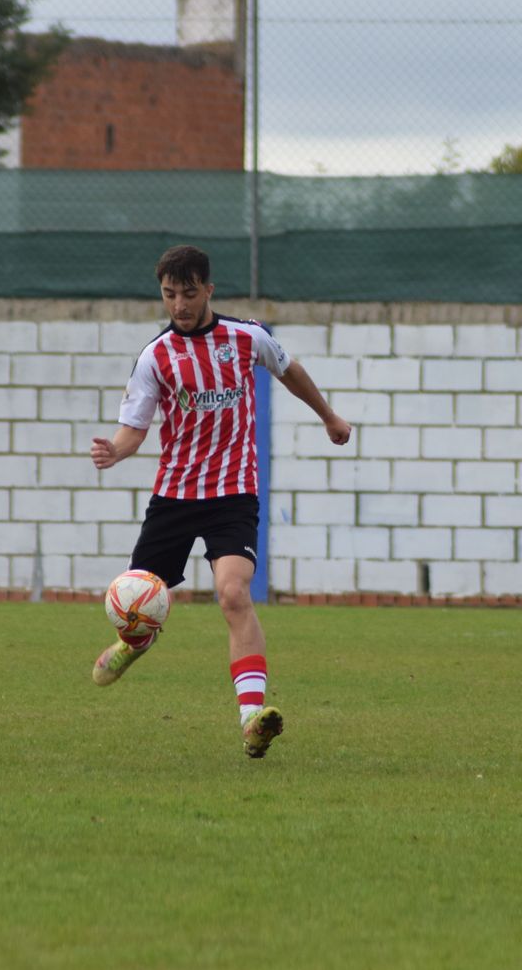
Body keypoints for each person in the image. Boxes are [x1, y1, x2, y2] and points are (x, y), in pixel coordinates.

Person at [88, 244, 352, 758]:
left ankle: (252, 717)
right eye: (169, 295)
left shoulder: (246, 337)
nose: (180, 305)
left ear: (208, 289)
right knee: (141, 606)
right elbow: (133, 429)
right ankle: (133, 643)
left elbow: (289, 369)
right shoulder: (155, 356)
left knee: (233, 594)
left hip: (233, 493)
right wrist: (114, 452)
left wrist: (329, 416)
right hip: (175, 496)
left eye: (189, 293)